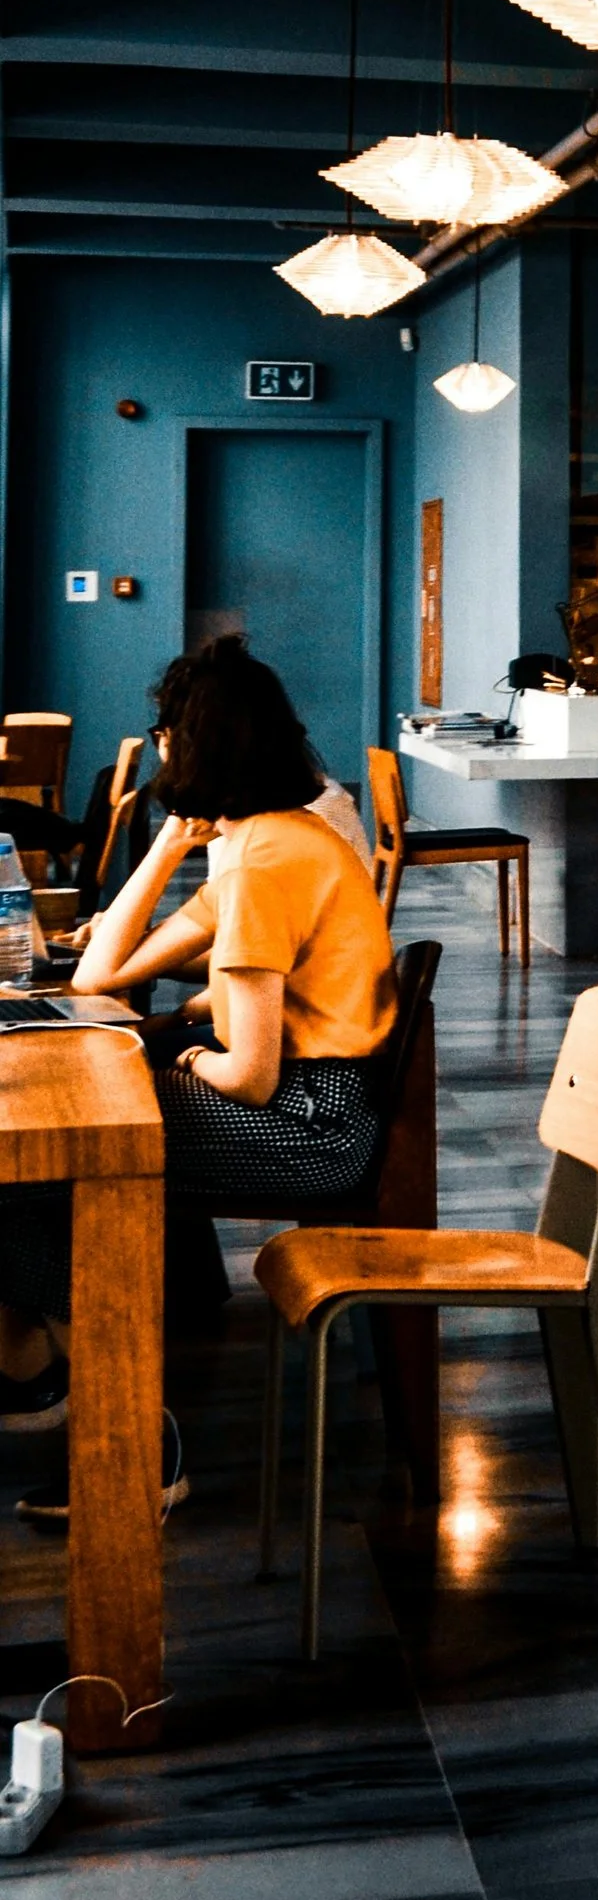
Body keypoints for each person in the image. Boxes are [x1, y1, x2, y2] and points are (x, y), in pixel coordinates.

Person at [0, 639, 397, 1497]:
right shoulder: (268, 841)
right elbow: (102, 974)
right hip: (311, 1104)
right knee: (55, 1150)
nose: (160, 743)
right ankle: (38, 1371)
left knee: (67, 1148)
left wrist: (186, 1054)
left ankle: (126, 1426)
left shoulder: (265, 864)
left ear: (199, 741)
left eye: (168, 730)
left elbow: (248, 1073)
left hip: (310, 1125)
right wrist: (167, 847)